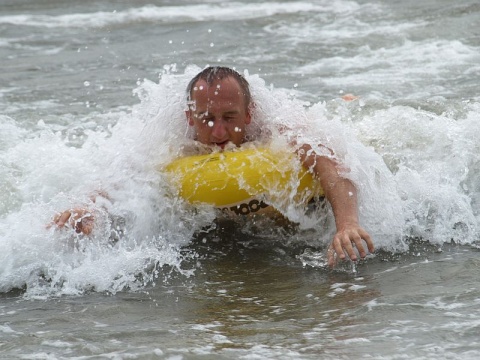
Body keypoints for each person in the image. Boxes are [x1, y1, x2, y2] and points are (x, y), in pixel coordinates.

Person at [53, 66, 374, 267]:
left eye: (230, 118)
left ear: (249, 114)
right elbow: (124, 172)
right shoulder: (173, 141)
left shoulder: (280, 128)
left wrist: (346, 224)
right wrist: (88, 206)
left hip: (302, 218)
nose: (219, 132)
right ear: (190, 117)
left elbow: (330, 162)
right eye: (207, 119)